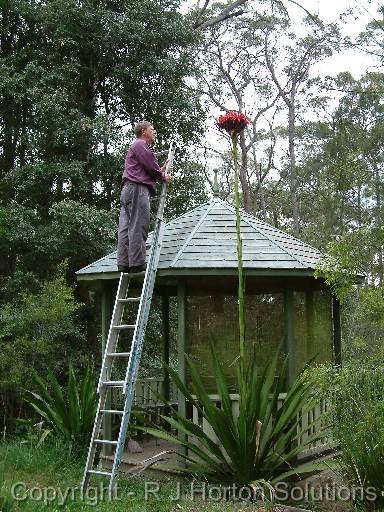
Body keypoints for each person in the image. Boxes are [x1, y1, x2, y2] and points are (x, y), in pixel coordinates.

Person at [117, 121, 171, 273]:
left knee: (126, 227)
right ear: (143, 131)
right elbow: (150, 167)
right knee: (138, 224)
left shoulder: (136, 146)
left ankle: (124, 263)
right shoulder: (141, 144)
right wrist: (163, 175)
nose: (154, 132)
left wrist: (158, 170)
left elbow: (146, 169)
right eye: (152, 129)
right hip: (137, 190)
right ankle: (137, 264)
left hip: (128, 189)